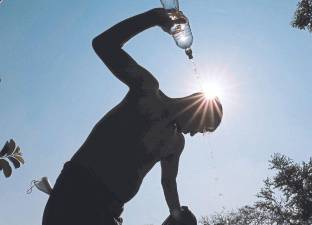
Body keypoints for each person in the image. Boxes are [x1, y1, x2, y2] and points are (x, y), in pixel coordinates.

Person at [42, 8, 223, 225]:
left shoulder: (175, 143)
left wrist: (176, 215)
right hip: (77, 192)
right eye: (202, 127)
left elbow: (168, 182)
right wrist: (153, 18)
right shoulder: (147, 91)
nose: (195, 134)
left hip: (110, 211)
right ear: (197, 107)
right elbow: (103, 45)